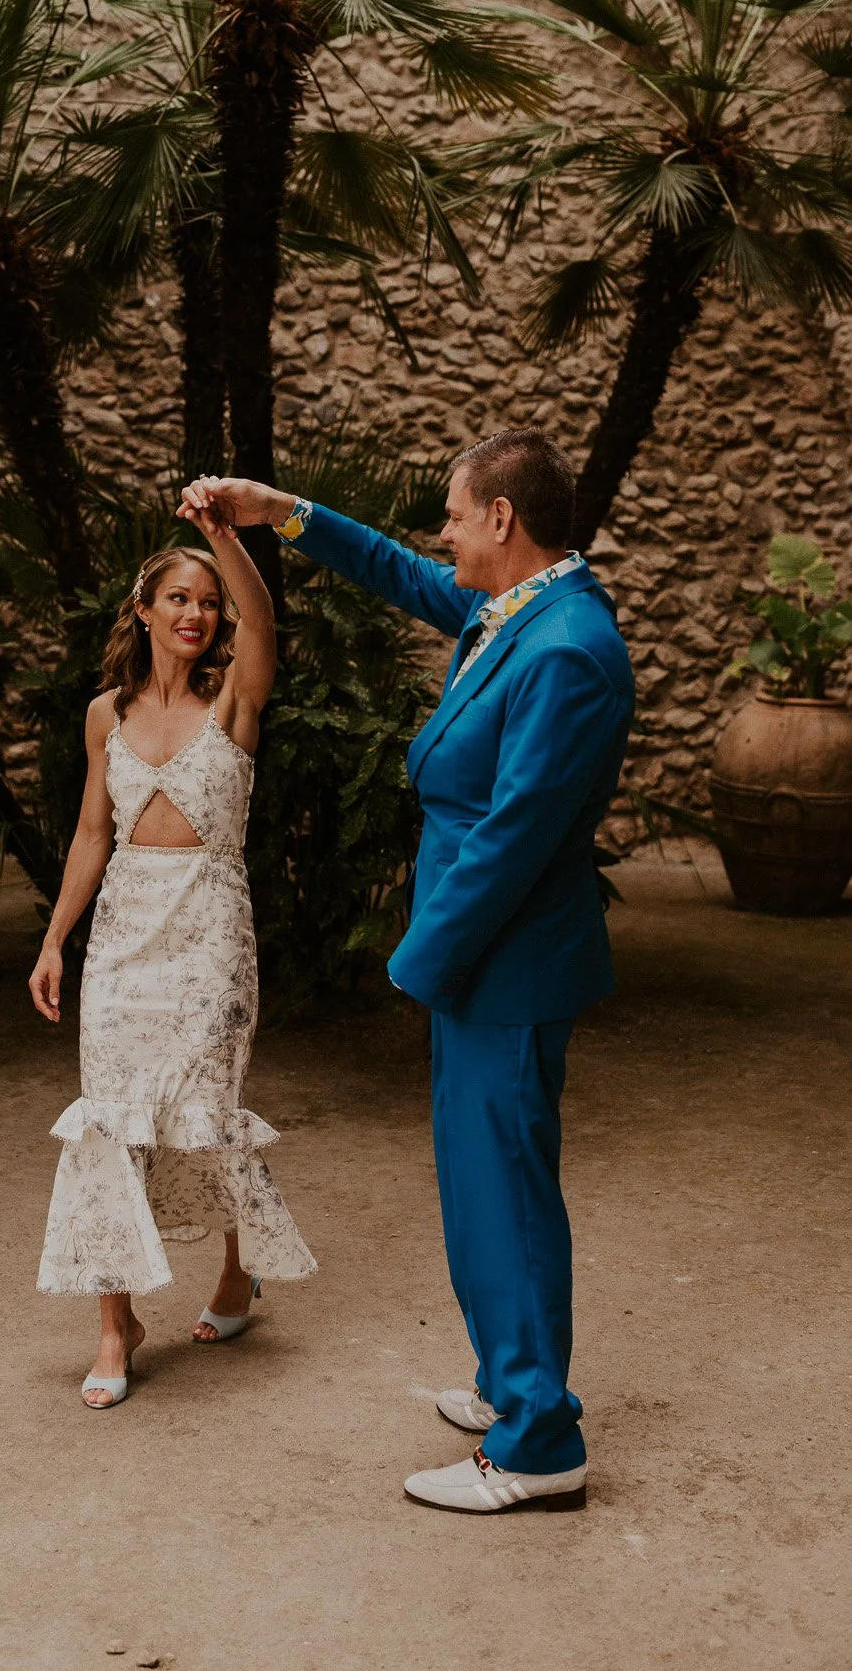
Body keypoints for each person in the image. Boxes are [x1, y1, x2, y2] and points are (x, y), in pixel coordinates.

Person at [182, 429, 634, 1511]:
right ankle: (504, 1381)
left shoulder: (568, 645)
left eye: (453, 511)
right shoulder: (514, 606)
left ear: (501, 521)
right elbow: (402, 571)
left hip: (504, 963)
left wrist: (417, 958)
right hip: (486, 960)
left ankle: (536, 1443)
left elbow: (518, 832)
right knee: (482, 1191)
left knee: (506, 1196)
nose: (442, 530)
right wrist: (279, 509)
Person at [31, 512, 316, 1408]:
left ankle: (235, 1278)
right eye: (177, 599)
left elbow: (262, 624)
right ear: (144, 609)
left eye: (206, 603)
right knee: (107, 1123)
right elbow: (89, 833)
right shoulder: (102, 716)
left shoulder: (233, 699)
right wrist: (54, 939)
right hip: (122, 938)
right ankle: (116, 1326)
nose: (194, 613)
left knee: (204, 1110)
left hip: (209, 937)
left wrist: (221, 535)